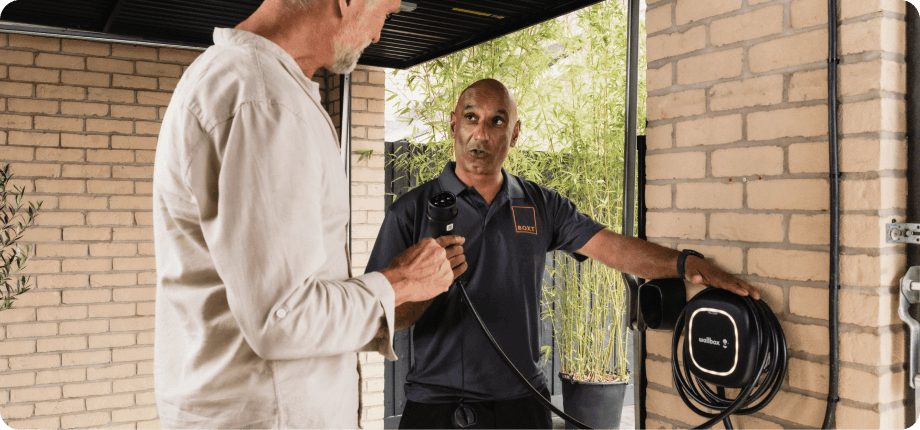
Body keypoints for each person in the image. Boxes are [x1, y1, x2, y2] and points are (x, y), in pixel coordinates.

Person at [365, 78, 760, 429]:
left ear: (515, 133)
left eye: (496, 121)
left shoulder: (540, 204)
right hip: (438, 405)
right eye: (471, 118)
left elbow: (612, 247)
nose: (481, 134)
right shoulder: (412, 210)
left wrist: (684, 264)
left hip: (524, 402)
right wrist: (428, 284)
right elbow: (382, 315)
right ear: (454, 123)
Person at [151, 0, 467, 428]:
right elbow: (282, 318)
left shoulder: (239, 81)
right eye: (385, 13)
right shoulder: (264, 102)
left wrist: (397, 290)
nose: (377, 34)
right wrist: (401, 282)